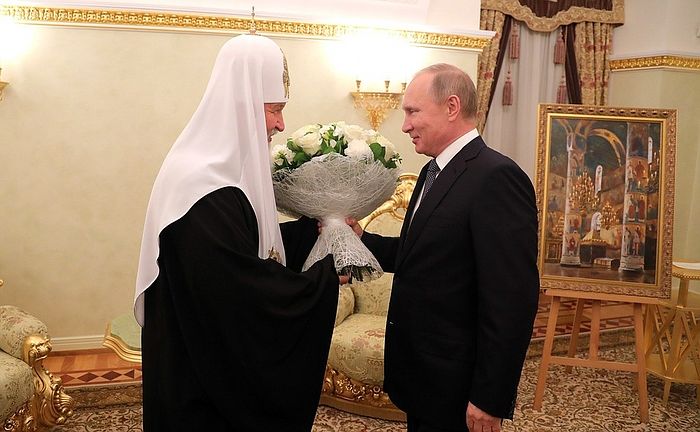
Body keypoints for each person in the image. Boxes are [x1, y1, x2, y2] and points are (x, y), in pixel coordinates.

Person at [133, 33, 344, 431]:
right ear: (243, 105)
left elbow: (245, 245)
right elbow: (239, 291)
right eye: (274, 109)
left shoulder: (210, 174)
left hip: (198, 364)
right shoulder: (203, 186)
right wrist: (325, 277)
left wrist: (313, 233)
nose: (281, 124)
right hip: (199, 391)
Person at [348, 63, 539, 431]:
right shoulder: (432, 171)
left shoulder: (497, 177)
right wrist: (361, 240)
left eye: (412, 112)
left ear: (452, 107)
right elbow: (421, 254)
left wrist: (490, 397)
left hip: (459, 387)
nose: (405, 125)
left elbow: (512, 300)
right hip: (424, 379)